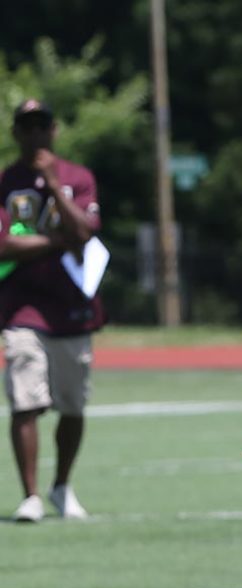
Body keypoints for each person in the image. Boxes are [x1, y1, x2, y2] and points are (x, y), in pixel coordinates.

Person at [0, 99, 103, 523]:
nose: (35, 134)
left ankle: (61, 485)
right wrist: (59, 242)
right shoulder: (6, 181)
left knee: (72, 404)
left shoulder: (77, 177)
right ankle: (31, 495)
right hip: (21, 307)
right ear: (16, 133)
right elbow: (5, 244)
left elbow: (84, 230)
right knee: (25, 399)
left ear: (53, 130)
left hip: (71, 306)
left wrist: (50, 181)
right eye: (27, 126)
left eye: (42, 125)